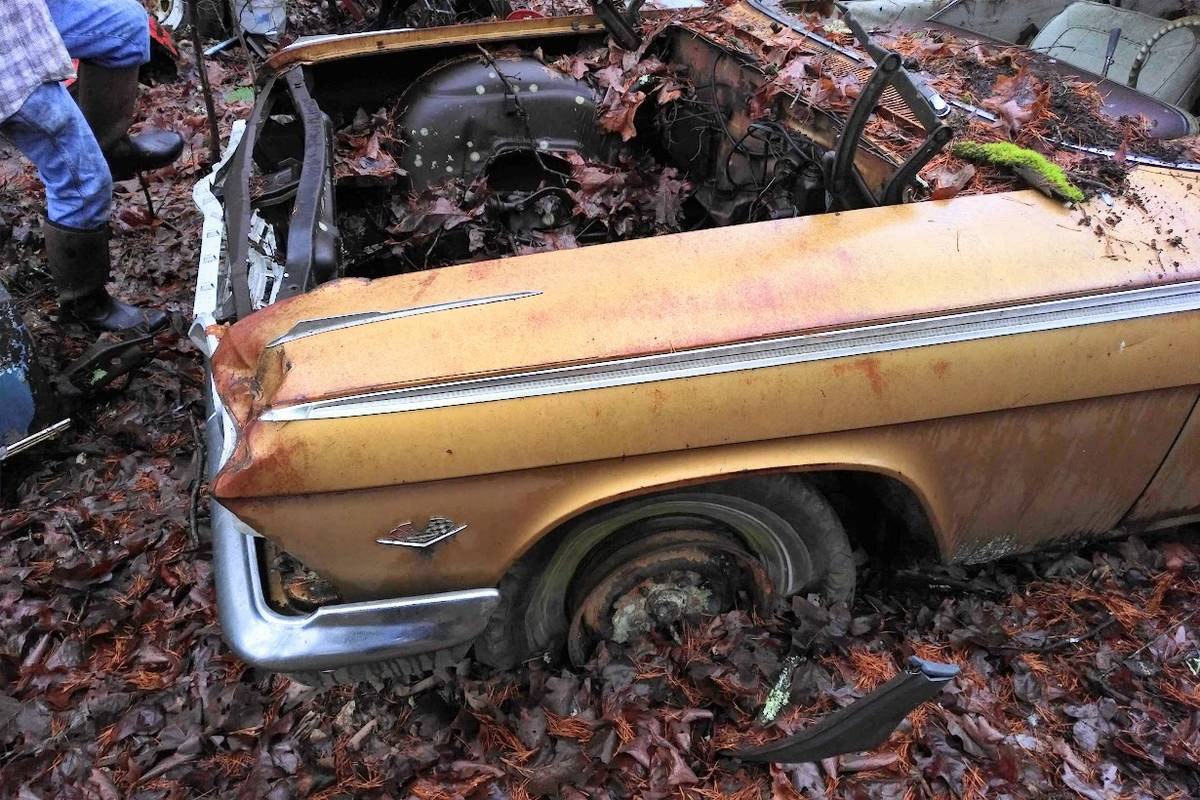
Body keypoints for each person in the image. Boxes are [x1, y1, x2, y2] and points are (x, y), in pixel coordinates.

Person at [0, 0, 184, 331]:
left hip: (22, 11)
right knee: (82, 180)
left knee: (124, 27)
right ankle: (87, 306)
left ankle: (107, 149)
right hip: (9, 52)